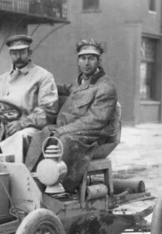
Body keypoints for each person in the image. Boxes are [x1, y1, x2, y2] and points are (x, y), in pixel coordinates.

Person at [25, 39, 119, 193]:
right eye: (83, 58)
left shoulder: (106, 86)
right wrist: (42, 83)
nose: (86, 63)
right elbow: (68, 89)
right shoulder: (81, 81)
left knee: (62, 142)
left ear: (99, 61)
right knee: (40, 134)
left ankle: (59, 189)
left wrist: (63, 130)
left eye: (91, 58)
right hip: (70, 130)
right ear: (78, 60)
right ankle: (31, 183)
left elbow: (94, 121)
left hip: (91, 136)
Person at [0, 34, 58, 162]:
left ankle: (13, 177)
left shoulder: (43, 76)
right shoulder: (4, 79)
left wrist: (22, 123)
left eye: (22, 52)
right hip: (4, 126)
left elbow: (48, 110)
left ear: (29, 52)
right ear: (10, 54)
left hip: (30, 128)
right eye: (14, 53)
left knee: (18, 138)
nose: (18, 57)